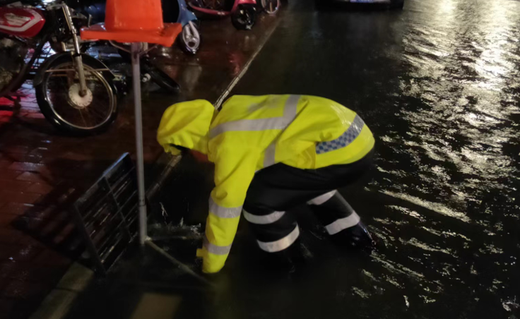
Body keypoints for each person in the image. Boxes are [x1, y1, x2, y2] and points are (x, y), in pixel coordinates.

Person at [157, 94, 376, 274]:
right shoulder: (234, 109)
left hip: (343, 154)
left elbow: (227, 206)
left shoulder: (229, 143)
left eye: (185, 152)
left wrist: (210, 265)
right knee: (290, 178)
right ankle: (355, 238)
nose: (195, 158)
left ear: (191, 141)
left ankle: (289, 263)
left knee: (257, 198)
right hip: (356, 137)